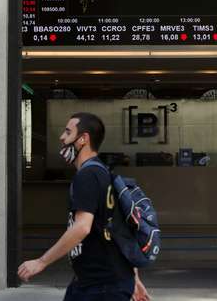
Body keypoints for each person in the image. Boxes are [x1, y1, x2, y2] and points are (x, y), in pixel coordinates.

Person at [18, 112, 150, 301]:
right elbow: (122, 231)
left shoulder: (87, 176)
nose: (62, 138)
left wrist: (41, 262)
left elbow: (82, 227)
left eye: (68, 132)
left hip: (100, 286)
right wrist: (133, 277)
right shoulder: (105, 173)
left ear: (83, 139)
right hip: (97, 282)